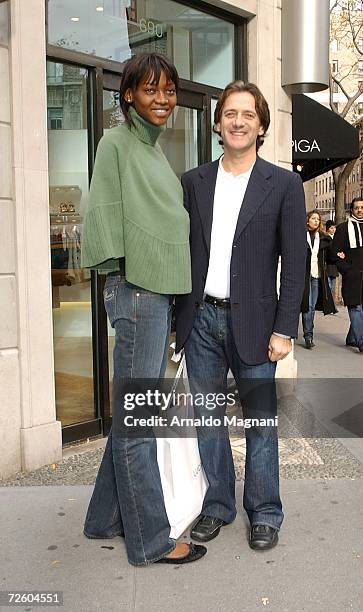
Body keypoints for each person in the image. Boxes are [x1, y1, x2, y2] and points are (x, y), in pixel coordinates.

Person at [81, 53, 206, 565]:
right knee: (140, 423)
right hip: (138, 292)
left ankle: (102, 518)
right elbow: (102, 216)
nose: (162, 99)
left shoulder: (153, 150)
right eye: (151, 89)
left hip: (154, 293)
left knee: (138, 412)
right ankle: (151, 541)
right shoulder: (116, 142)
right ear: (128, 94)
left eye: (170, 90)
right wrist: (127, 281)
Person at [175, 81, 306, 551]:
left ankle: (265, 512)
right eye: (229, 114)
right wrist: (178, 321)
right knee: (208, 421)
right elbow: (182, 253)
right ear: (217, 124)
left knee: (260, 422)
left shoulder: (284, 184)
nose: (237, 121)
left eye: (247, 114)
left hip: (256, 324)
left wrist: (284, 329)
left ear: (261, 125)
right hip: (202, 322)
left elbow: (295, 260)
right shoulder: (194, 182)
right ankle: (217, 506)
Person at [301, 210, 337, 349]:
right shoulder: (300, 236)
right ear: (307, 220)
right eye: (313, 218)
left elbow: (330, 257)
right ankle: (308, 335)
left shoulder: (323, 238)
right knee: (306, 305)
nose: (316, 221)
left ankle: (309, 334)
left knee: (311, 307)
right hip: (304, 276)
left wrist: (338, 255)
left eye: (318, 219)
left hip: (317, 276)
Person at [331, 197, 363, 353]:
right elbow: (333, 253)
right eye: (356, 207)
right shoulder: (343, 228)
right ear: (352, 210)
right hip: (353, 275)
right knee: (355, 306)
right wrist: (346, 269)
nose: (359, 210)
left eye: (362, 207)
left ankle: (352, 338)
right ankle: (361, 341)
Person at [325, 220, 339, 299]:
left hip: (334, 267)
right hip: (327, 266)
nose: (333, 230)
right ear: (327, 229)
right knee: (328, 287)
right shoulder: (326, 239)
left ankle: (331, 305)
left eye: (334, 228)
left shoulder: (335, 239)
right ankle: (328, 305)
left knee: (332, 288)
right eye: (331, 228)